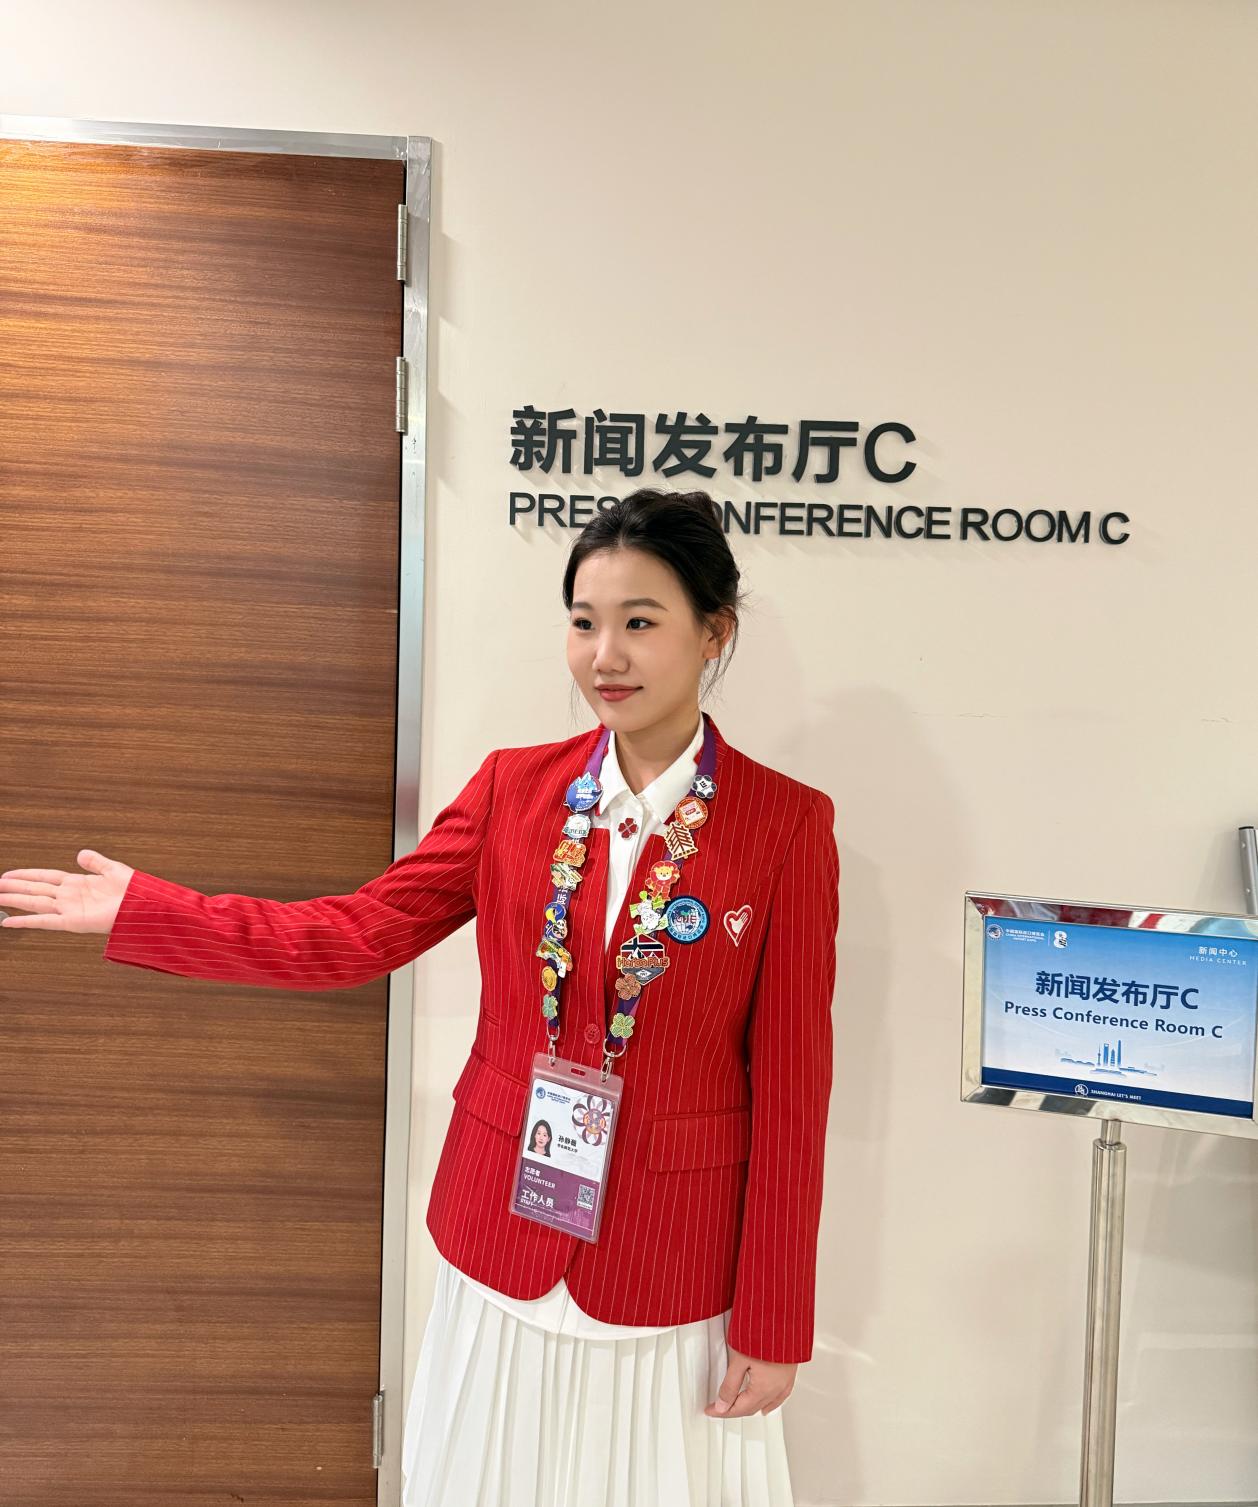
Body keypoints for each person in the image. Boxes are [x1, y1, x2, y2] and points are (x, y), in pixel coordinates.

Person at [0, 487, 840, 1507]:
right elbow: (356, 933)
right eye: (583, 622)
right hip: (501, 1239)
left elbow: (793, 1090)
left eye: (639, 622)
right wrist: (150, 910)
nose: (604, 655)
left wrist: (773, 1319)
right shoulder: (512, 791)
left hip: (674, 1266)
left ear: (715, 632)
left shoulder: (785, 825)